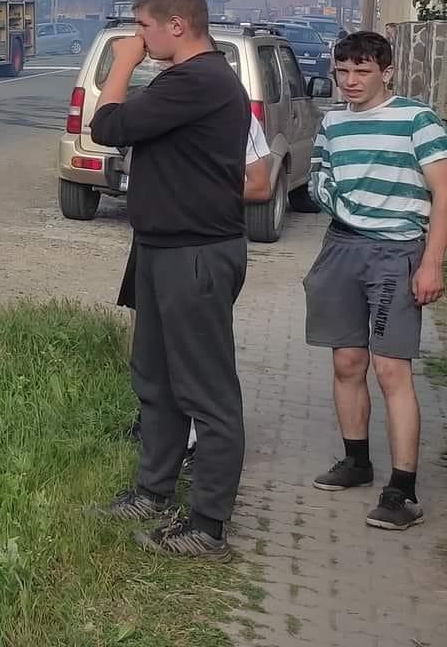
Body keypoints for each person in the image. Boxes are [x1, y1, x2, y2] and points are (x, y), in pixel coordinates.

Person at [91, 0, 249, 560]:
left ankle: (208, 524)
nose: (140, 38)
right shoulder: (186, 81)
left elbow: (106, 125)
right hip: (162, 248)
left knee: (206, 391)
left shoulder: (200, 80)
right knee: (154, 379)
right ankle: (151, 490)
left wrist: (121, 64)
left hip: (197, 254)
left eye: (145, 28)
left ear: (176, 25)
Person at [302, 29, 446, 532]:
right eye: (342, 71)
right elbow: (319, 175)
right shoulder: (333, 122)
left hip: (397, 252)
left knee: (391, 371)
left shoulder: (417, 119)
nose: (350, 81)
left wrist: (431, 263)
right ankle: (356, 462)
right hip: (341, 247)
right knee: (346, 361)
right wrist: (339, 206)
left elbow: (443, 191)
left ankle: (402, 490)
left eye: (362, 71)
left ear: (386, 71)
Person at [115, 112, 276, 463]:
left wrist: (191, 193)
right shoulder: (158, 106)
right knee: (146, 339)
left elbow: (260, 184)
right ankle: (157, 431)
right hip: (153, 239)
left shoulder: (232, 113)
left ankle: (196, 442)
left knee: (193, 352)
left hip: (198, 246)